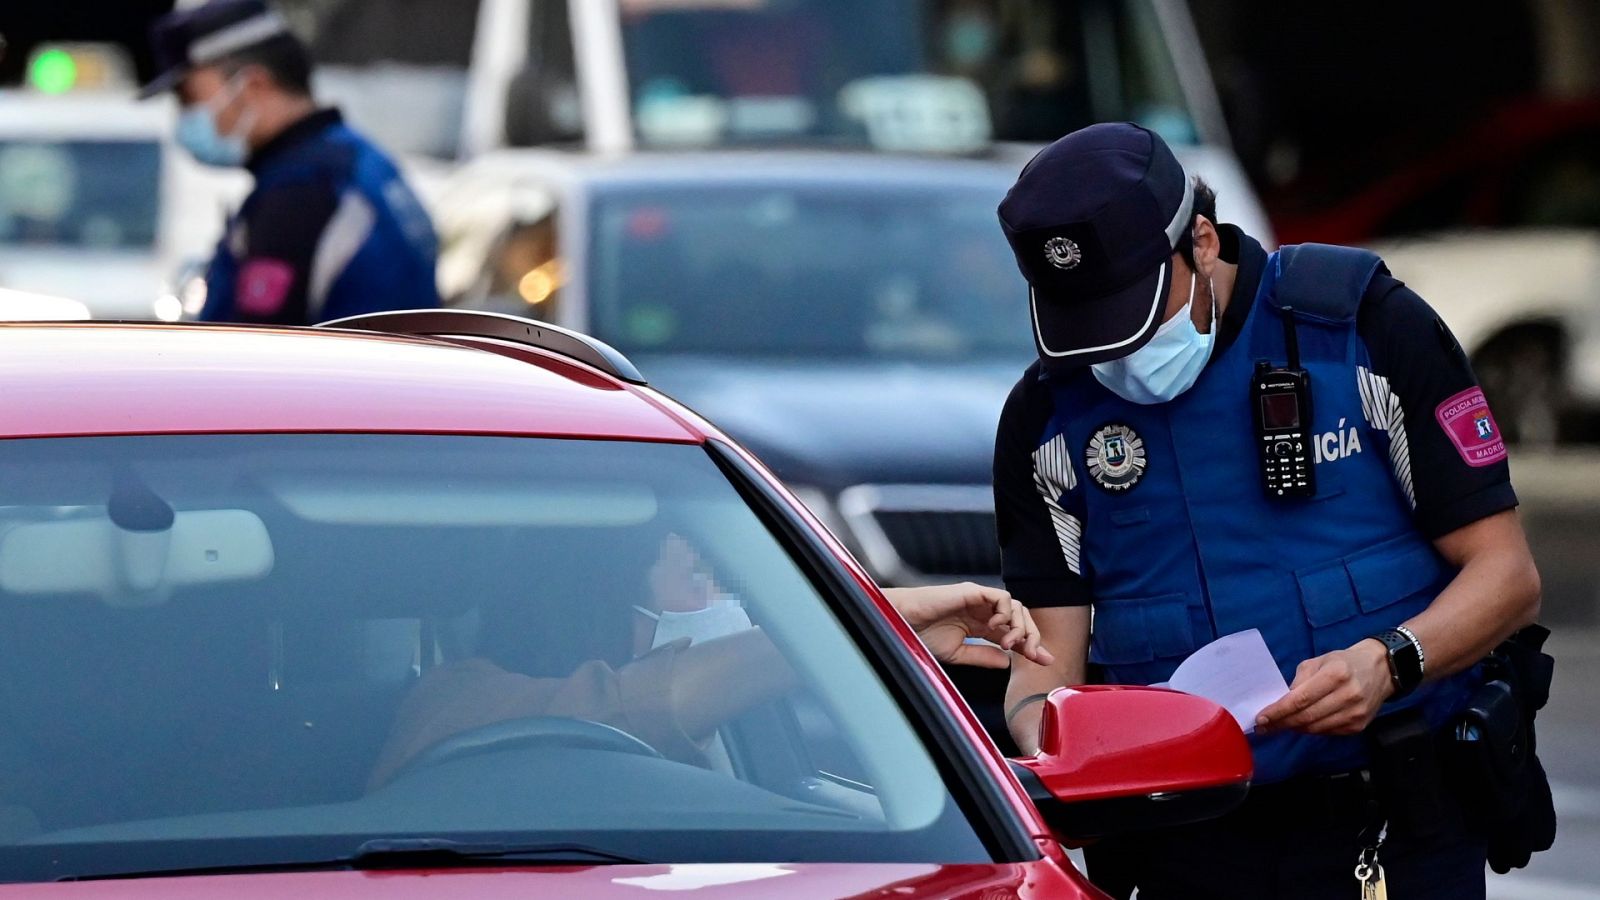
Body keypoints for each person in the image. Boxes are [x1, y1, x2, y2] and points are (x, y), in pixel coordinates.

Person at [992, 123, 1542, 899]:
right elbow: (1040, 677)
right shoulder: (1045, 422)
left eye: (1137, 318)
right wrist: (1055, 738)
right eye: (1092, 333)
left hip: (1394, 829)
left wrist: (1389, 662)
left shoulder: (1360, 329)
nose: (1118, 357)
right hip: (1185, 850)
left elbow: (1507, 574)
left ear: (1204, 242)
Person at [368, 533, 1051, 790]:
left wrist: (877, 650)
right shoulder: (454, 699)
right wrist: (866, 623)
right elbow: (629, 702)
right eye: (697, 577)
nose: (724, 606)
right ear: (595, 595)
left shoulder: (737, 736)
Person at [141, 0, 440, 324]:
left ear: (253, 85)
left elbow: (254, 352)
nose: (185, 118)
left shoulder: (301, 193)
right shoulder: (359, 160)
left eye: (189, 98)